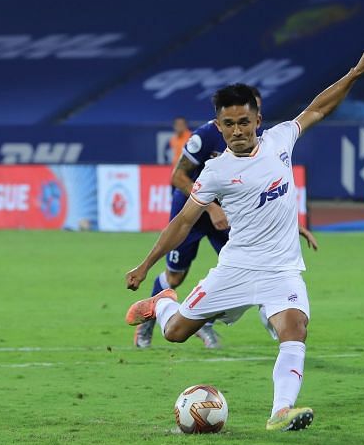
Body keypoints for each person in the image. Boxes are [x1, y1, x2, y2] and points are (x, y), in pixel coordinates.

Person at [124, 51, 364, 432]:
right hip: (236, 269)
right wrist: (146, 265)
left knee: (294, 329)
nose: (237, 131)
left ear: (258, 119)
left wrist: (356, 73)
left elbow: (318, 108)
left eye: (244, 122)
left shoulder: (280, 140)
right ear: (219, 124)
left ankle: (281, 410)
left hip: (282, 270)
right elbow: (182, 223)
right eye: (228, 124)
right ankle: (162, 303)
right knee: (175, 333)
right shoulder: (215, 172)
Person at [133, 89, 318, 349]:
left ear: (257, 117)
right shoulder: (205, 137)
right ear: (221, 122)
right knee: (175, 278)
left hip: (230, 217)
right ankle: (153, 317)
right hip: (196, 212)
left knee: (245, 270)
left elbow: (263, 197)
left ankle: (213, 322)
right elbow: (178, 177)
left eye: (248, 117)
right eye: (233, 121)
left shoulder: (265, 144)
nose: (242, 126)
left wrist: (292, 226)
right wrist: (210, 208)